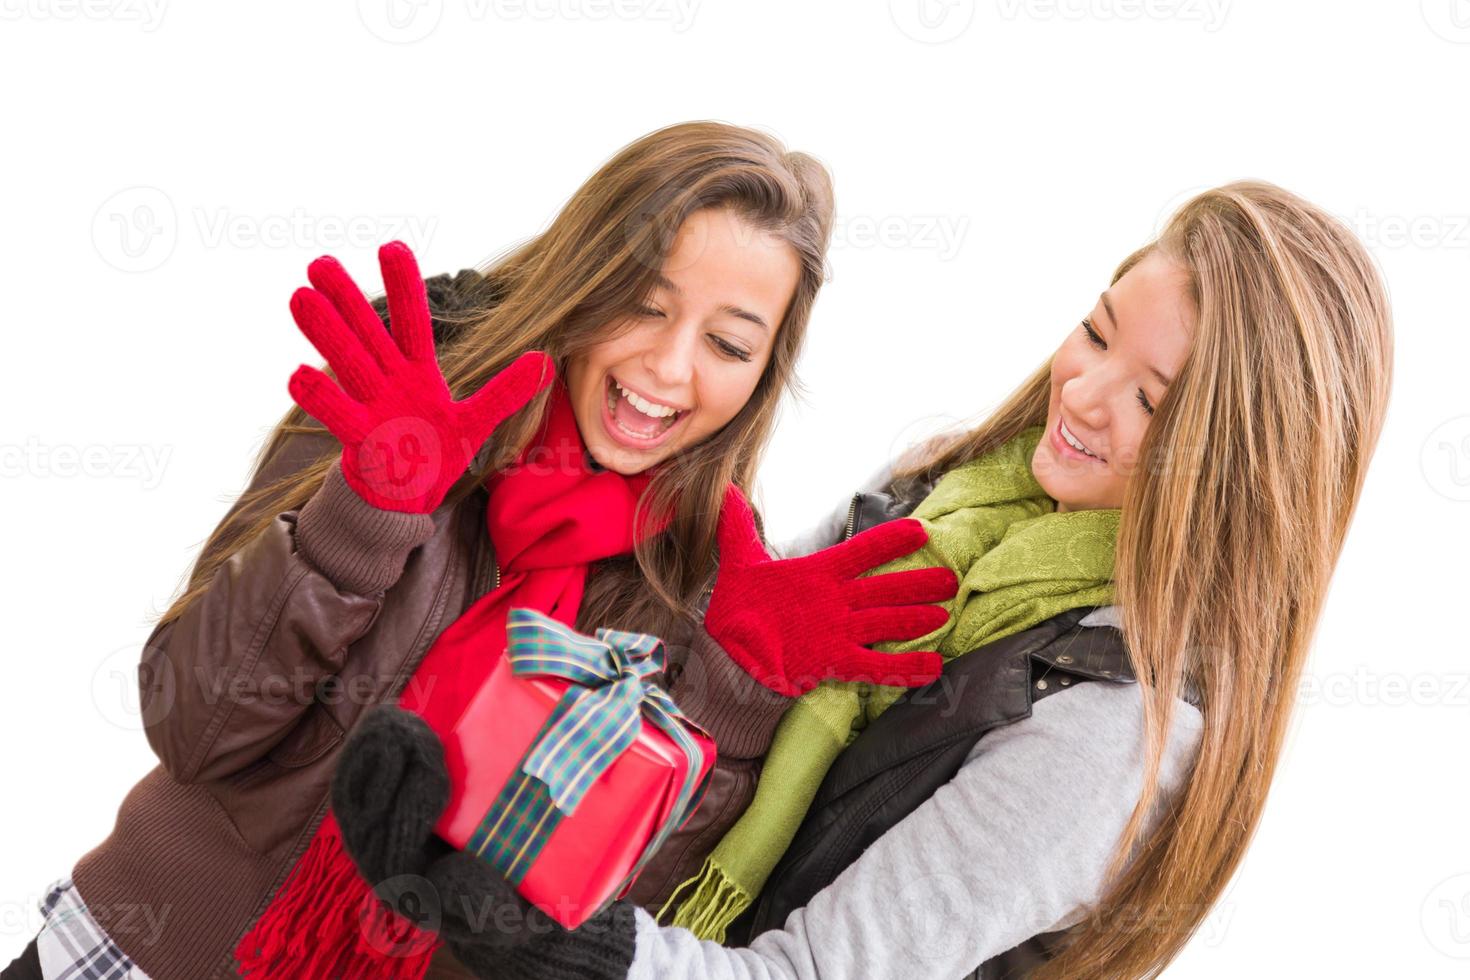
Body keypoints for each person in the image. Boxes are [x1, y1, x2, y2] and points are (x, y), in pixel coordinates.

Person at [330, 179, 1394, 979]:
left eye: (1153, 401)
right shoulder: (940, 490)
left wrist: (561, 938)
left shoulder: (1113, 723)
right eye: (1098, 330)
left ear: (1238, 465)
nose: (1085, 390)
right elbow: (688, 679)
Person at [1, 122, 960, 980]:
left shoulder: (704, 588)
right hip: (132, 953)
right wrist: (362, 517)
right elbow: (197, 727)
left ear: (761, 376)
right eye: (647, 303)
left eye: (728, 343)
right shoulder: (406, 398)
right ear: (588, 280)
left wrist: (727, 704)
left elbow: (572, 929)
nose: (670, 369)